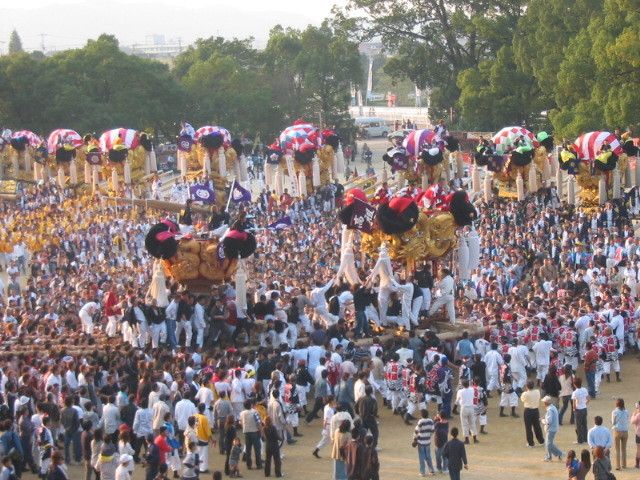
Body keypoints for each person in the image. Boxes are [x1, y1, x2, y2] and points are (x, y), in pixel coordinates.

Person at [520, 380, 544, 447]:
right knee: (537, 426)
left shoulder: (525, 393)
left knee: (528, 427)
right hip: (535, 410)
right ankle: (541, 440)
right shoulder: (537, 391)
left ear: (527, 386)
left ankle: (531, 443)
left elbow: (522, 400)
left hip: (528, 411)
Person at [413, 409, 436, 476]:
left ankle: (422, 472)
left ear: (421, 415)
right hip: (428, 442)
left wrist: (415, 439)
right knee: (428, 456)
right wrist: (429, 436)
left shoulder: (420, 421)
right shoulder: (431, 421)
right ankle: (431, 471)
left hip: (421, 442)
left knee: (421, 458)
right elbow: (432, 431)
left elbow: (416, 431)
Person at [541, 395, 563, 462]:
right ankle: (557, 454)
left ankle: (550, 457)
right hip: (553, 428)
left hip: (551, 429)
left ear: (545, 403)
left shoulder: (550, 410)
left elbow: (549, 422)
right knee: (549, 443)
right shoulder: (552, 407)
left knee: (548, 444)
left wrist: (542, 421)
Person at [611, 398, 629, 470]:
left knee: (617, 449)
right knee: (624, 449)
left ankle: (618, 466)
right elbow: (627, 419)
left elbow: (613, 423)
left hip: (617, 431)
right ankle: (624, 464)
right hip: (625, 431)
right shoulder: (626, 411)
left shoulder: (614, 412)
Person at [571, 377, 589, 444]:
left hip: (578, 410)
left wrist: (574, 409)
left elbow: (574, 404)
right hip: (584, 408)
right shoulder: (584, 389)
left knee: (578, 426)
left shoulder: (575, 392)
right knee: (584, 425)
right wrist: (584, 404)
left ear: (574, 384)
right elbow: (588, 399)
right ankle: (585, 439)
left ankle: (580, 440)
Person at [631, 401, 640, 469]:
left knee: (638, 449)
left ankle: (637, 464)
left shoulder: (638, 415)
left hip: (638, 434)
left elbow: (632, 421)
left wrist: (633, 414)